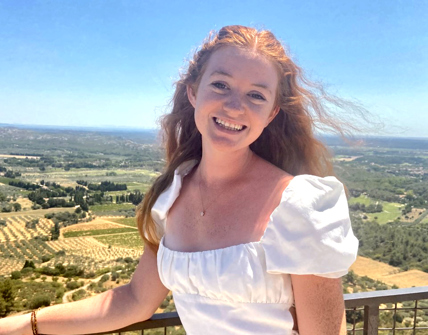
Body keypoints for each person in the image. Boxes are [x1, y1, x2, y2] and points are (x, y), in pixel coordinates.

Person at [0, 25, 358, 335]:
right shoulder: (170, 197)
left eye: (256, 95)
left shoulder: (299, 206)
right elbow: (135, 299)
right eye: (220, 85)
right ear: (193, 92)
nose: (234, 106)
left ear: (271, 114)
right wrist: (22, 325)